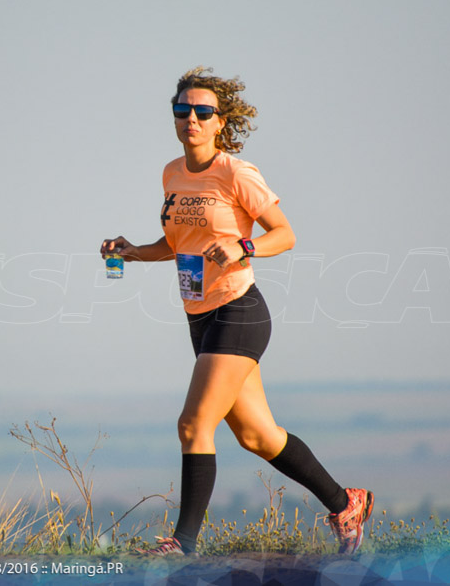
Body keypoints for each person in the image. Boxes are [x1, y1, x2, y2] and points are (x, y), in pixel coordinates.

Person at [100, 66, 373, 556]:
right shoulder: (172, 173)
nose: (192, 120)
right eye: (183, 111)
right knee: (257, 436)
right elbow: (177, 242)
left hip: (238, 310)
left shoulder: (236, 172)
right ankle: (345, 502)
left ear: (220, 121)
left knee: (193, 424)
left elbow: (286, 234)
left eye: (203, 112)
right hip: (199, 316)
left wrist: (245, 247)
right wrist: (132, 250)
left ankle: (181, 544)